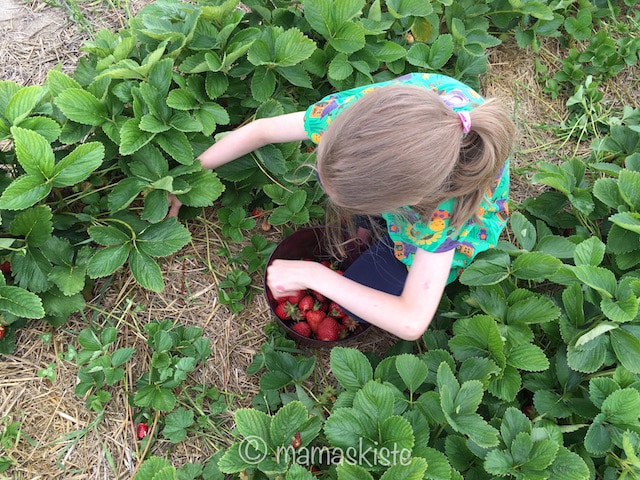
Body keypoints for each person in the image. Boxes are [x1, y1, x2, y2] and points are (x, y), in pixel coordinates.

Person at [169, 72, 515, 341]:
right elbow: (261, 131)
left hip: (445, 203)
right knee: (356, 284)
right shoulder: (355, 117)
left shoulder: (444, 211)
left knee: (365, 293)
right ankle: (369, 234)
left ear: (404, 204)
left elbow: (411, 322)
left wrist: (314, 275)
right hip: (409, 157)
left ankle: (383, 241)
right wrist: (190, 178)